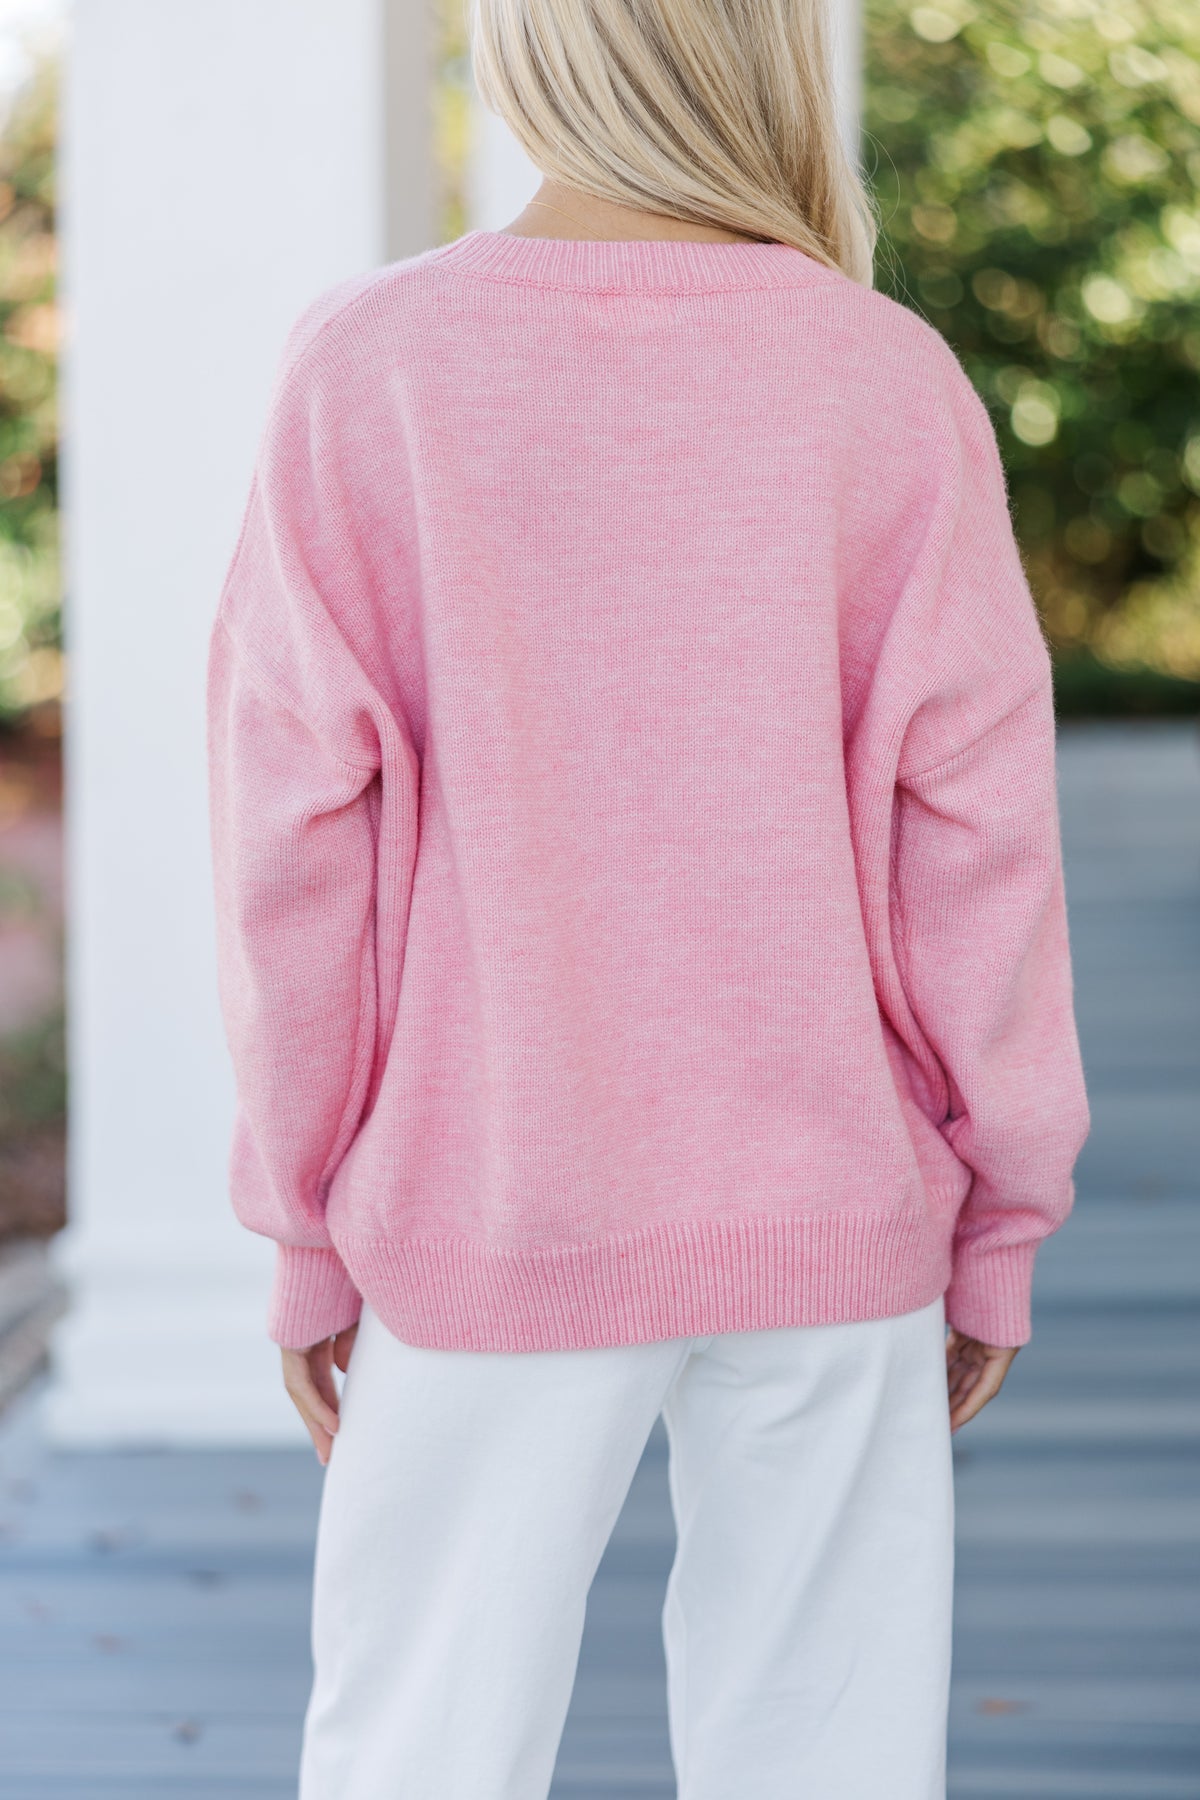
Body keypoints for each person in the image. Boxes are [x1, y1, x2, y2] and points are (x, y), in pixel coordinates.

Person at [204, 0, 1090, 1791]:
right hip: (833, 1204)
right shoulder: (885, 376)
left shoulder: (373, 370)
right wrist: (1002, 1205)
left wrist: (305, 1219)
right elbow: (979, 833)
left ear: (531, 50)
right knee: (827, 1757)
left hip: (488, 1200)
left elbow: (293, 842)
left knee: (418, 1752)